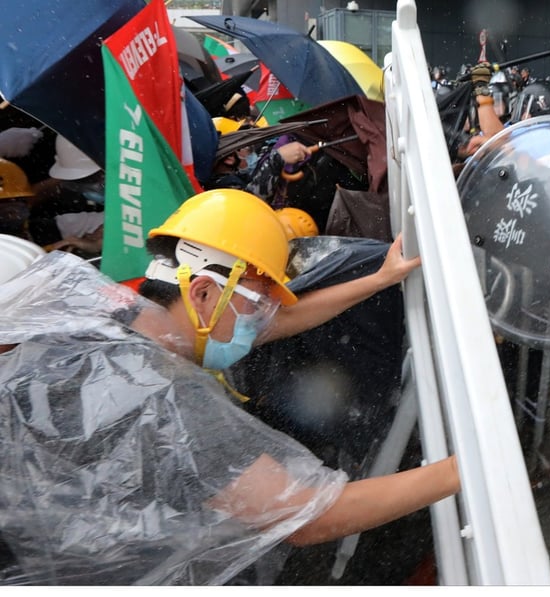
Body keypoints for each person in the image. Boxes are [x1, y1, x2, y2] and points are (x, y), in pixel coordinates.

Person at [0, 188, 459, 585]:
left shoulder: (113, 313)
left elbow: (269, 324)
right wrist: (468, 468)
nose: (261, 319)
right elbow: (307, 516)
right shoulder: (171, 402)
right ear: (201, 293)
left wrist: (379, 279)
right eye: (258, 303)